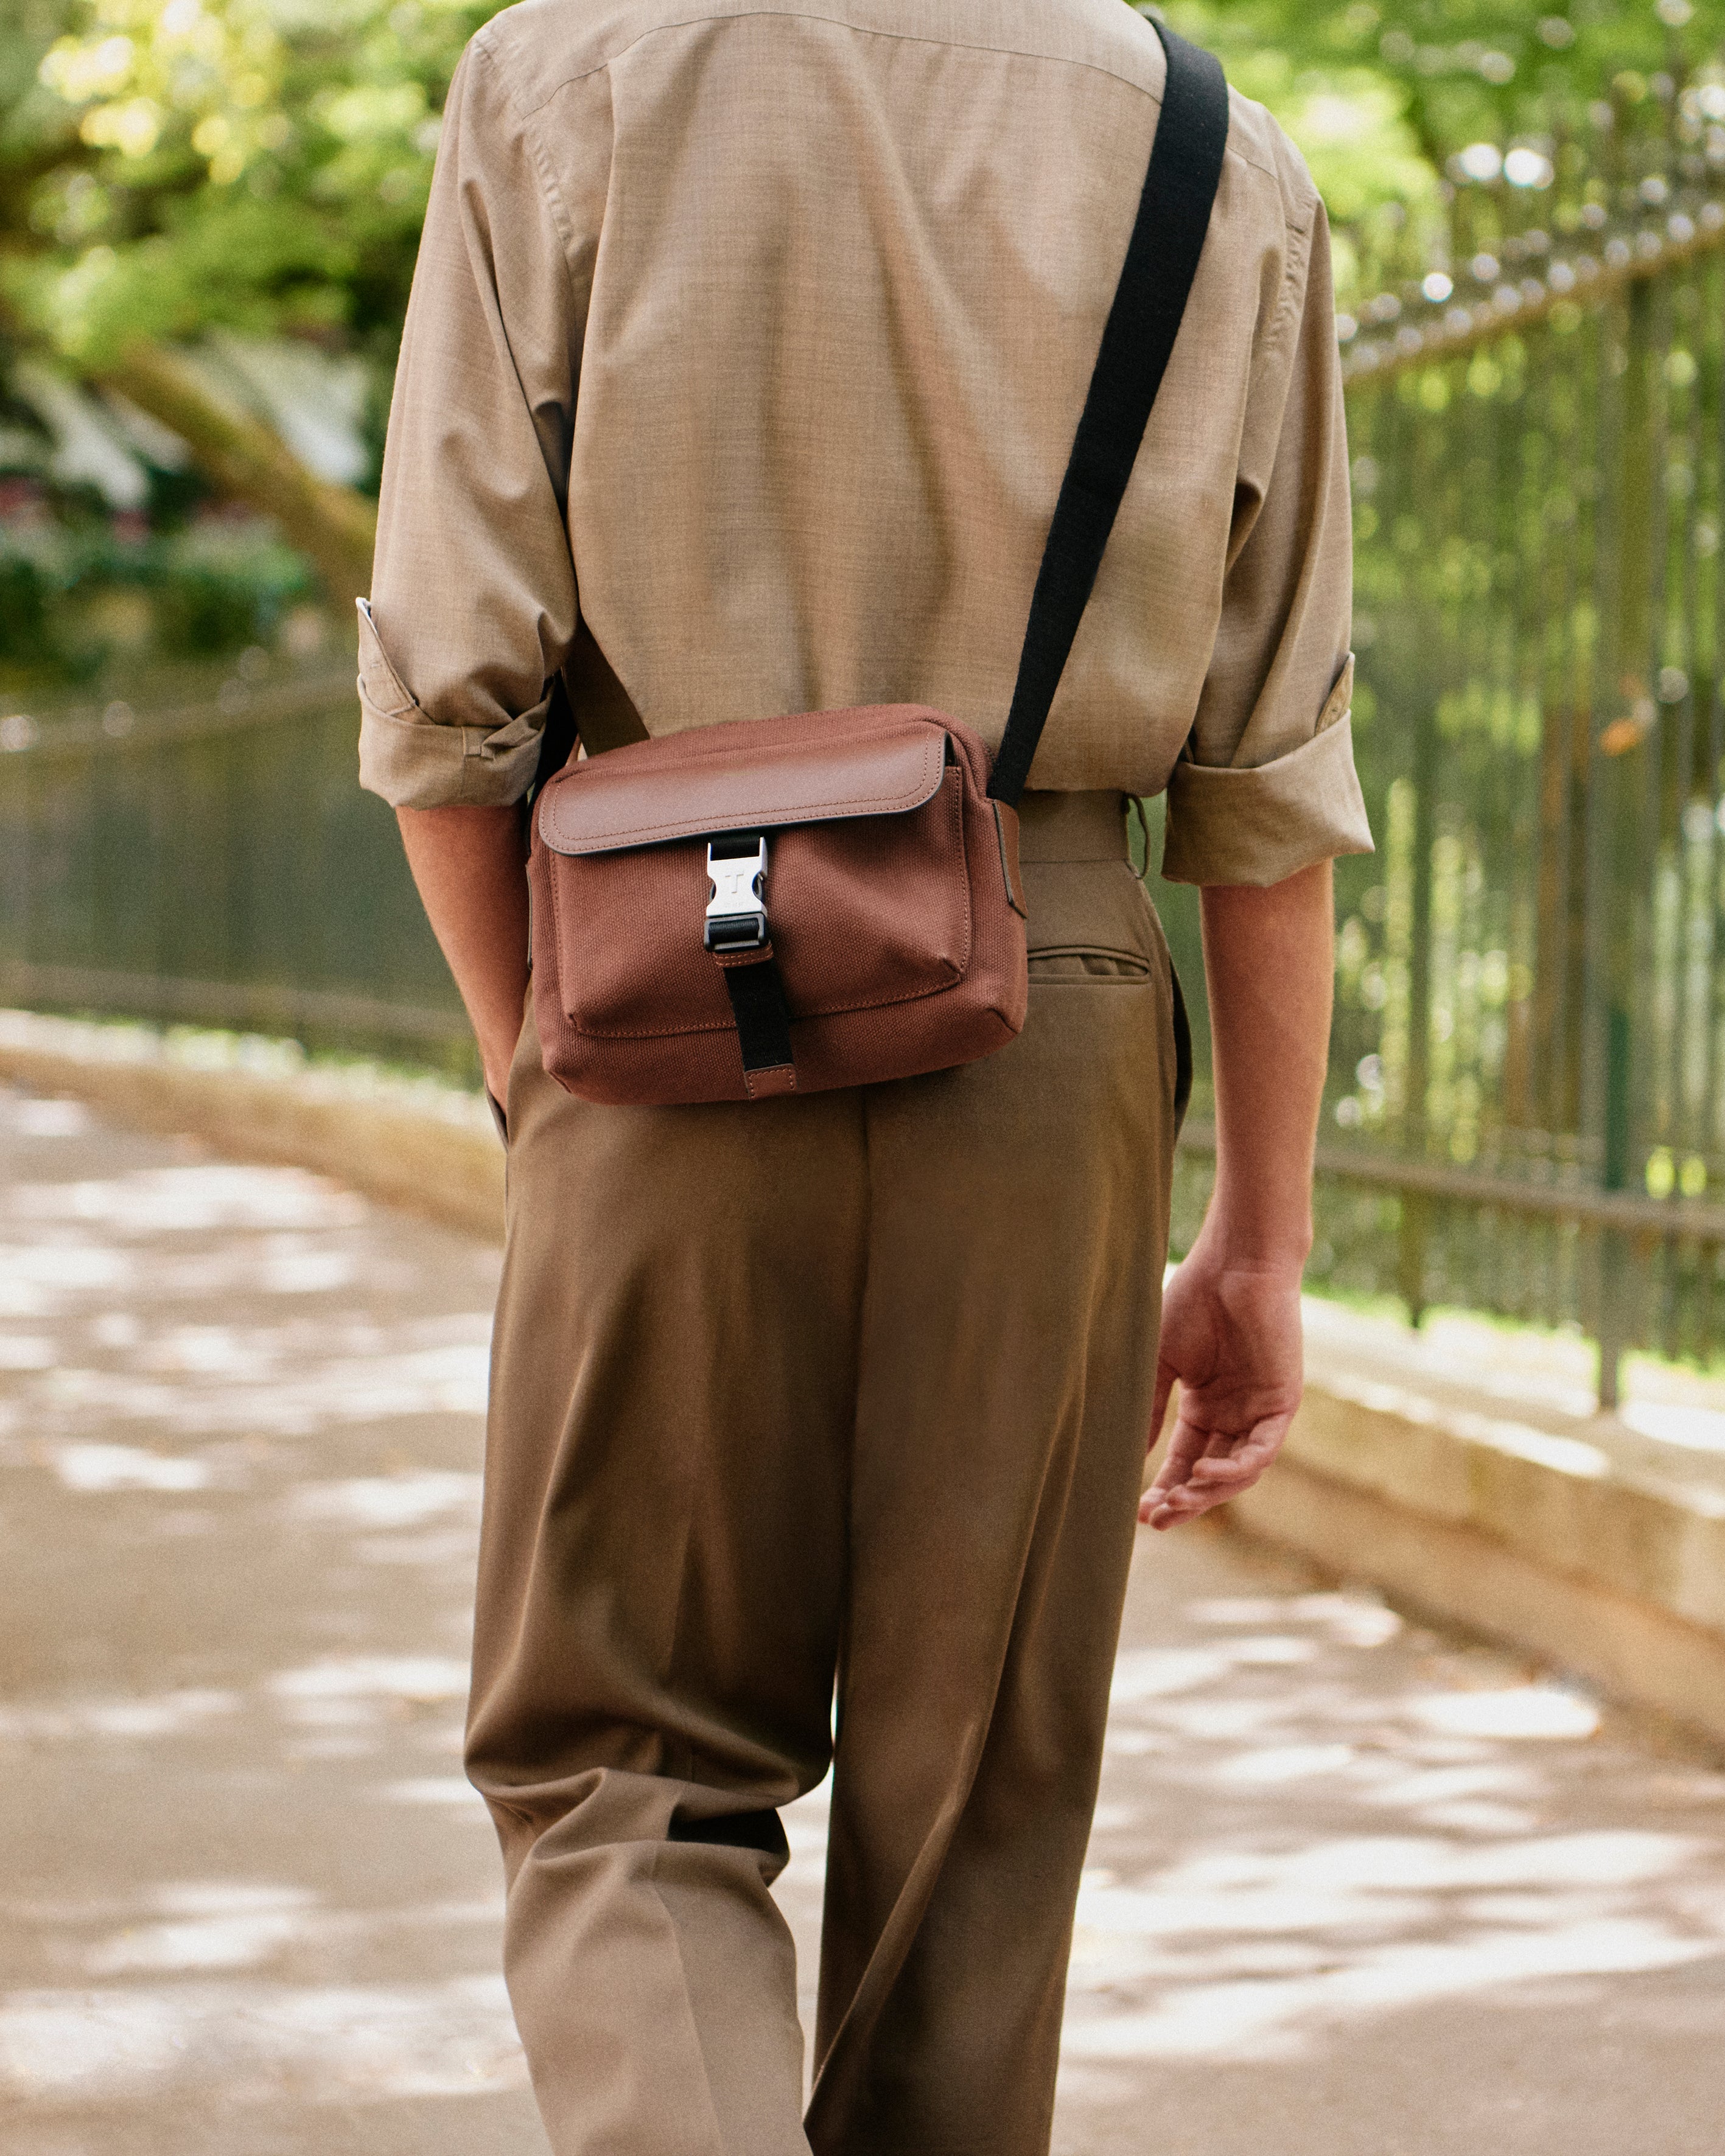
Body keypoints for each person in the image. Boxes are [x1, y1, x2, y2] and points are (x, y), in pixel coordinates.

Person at [357, 0, 1372, 2147]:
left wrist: (539, 1070)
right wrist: (1258, 1243)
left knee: (619, 1770)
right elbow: (1268, 784)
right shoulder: (1216, 151)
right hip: (1051, 987)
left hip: (657, 974)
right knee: (977, 1818)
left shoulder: (557, 78)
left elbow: (447, 699)